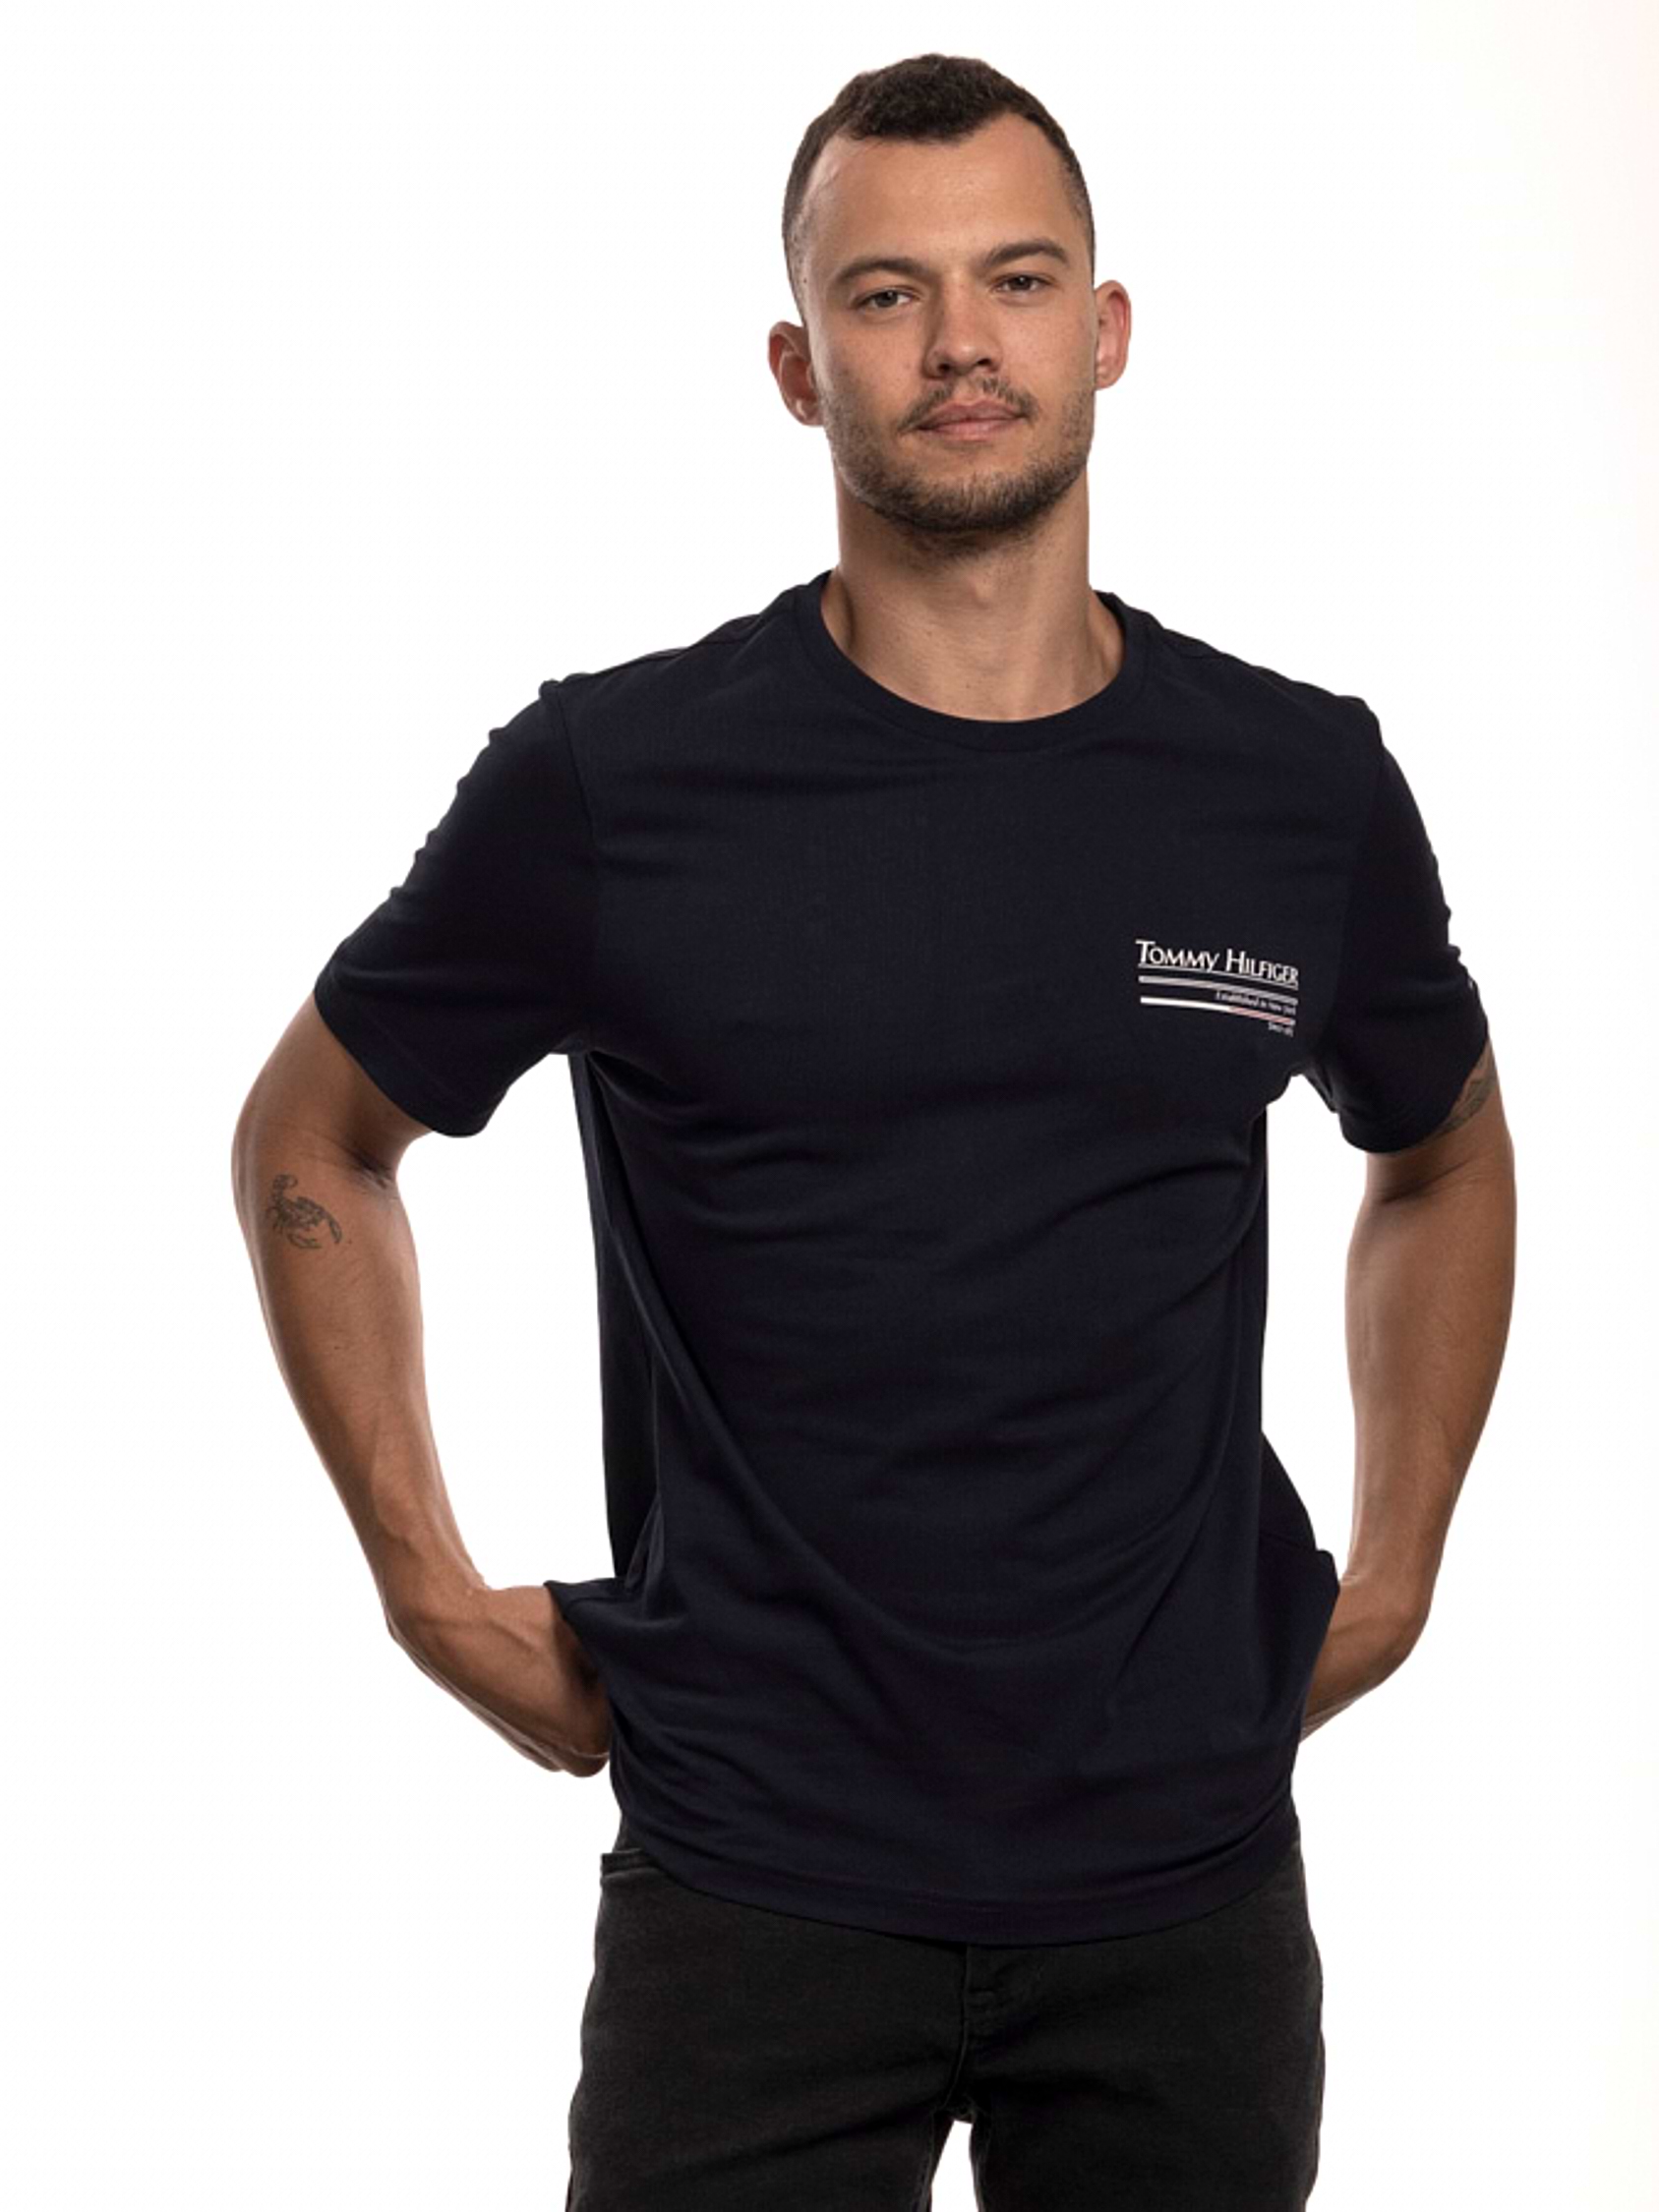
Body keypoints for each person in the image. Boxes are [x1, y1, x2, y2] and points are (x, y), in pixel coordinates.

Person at [232, 49, 1516, 2212]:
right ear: (796, 362)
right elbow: (313, 1143)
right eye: (887, 293)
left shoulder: (1294, 789)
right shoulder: (616, 785)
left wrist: (1396, 1567)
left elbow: (1446, 1149)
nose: (960, 344)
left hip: (1183, 1881)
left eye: (1017, 280)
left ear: (1106, 328)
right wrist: (425, 1590)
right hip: (756, 1878)